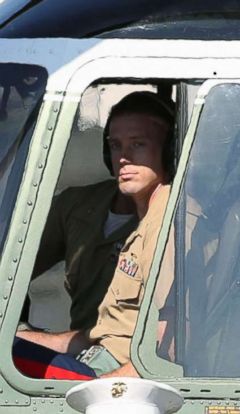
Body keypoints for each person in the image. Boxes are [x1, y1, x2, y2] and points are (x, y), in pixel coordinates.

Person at [13, 91, 174, 379]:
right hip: (92, 354)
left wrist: (103, 394)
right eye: (115, 145)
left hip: (109, 377)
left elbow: (168, 350)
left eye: (138, 144)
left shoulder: (167, 222)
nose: (123, 158)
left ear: (169, 151)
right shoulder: (88, 207)